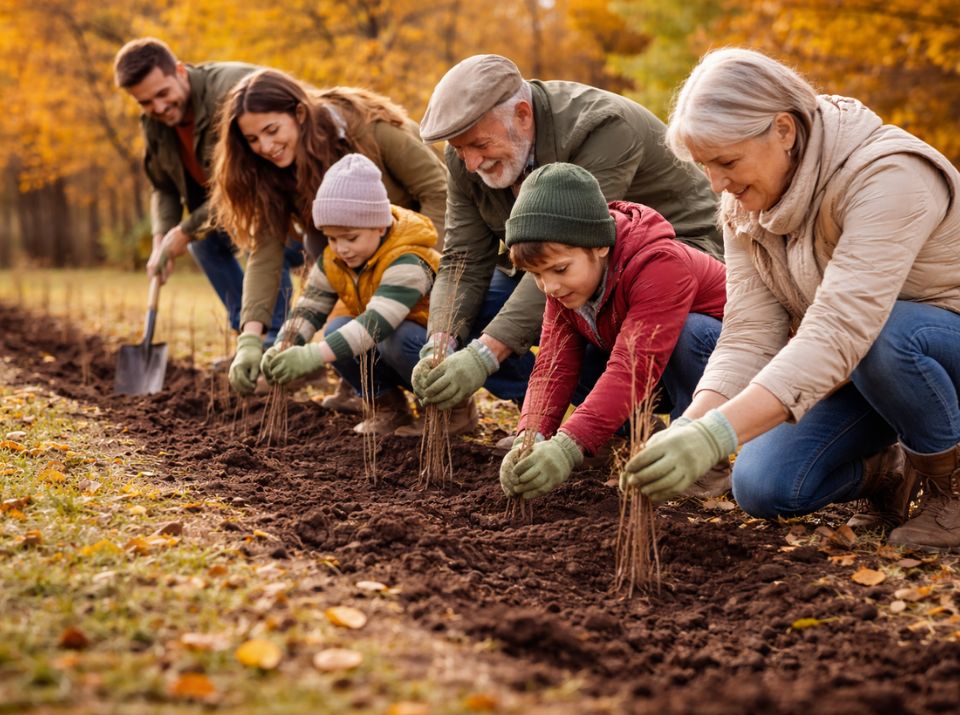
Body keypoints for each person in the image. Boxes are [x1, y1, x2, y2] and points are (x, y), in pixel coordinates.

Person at [621, 48, 960, 551]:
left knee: (886, 334)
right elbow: (748, 335)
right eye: (706, 166)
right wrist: (690, 428)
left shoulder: (890, 176)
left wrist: (719, 435)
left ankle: (949, 493)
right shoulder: (746, 202)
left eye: (727, 162)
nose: (718, 184)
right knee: (763, 486)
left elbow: (842, 329)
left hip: (927, 348)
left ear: (784, 129)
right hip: (863, 366)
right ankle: (886, 470)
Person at [403, 54, 724, 445]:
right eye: (459, 149)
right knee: (491, 304)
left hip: (674, 256)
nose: (470, 163)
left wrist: (485, 355)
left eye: (479, 144)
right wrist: (442, 342)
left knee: (613, 320)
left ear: (522, 115)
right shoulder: (466, 157)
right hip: (575, 268)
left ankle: (686, 437)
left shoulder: (601, 127)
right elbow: (462, 258)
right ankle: (599, 431)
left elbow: (573, 250)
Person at [210, 69, 448, 401]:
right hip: (356, 252)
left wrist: (416, 261)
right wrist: (250, 339)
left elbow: (438, 190)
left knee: (392, 331)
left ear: (300, 113)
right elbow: (265, 253)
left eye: (271, 130)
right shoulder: (271, 169)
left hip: (411, 243)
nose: (264, 146)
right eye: (252, 140)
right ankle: (373, 394)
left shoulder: (370, 129)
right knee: (323, 270)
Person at [495, 164, 726, 500]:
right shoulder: (563, 289)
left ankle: (703, 460)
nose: (550, 286)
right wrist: (530, 438)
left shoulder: (660, 263)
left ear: (599, 246)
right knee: (580, 359)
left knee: (692, 331)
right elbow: (551, 368)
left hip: (727, 372)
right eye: (537, 275)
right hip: (651, 368)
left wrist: (568, 445)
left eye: (559, 269)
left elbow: (632, 368)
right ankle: (622, 438)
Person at [113, 38, 300, 351]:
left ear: (181, 72)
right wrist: (162, 239)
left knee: (257, 234)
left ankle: (277, 344)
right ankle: (248, 340)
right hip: (233, 207)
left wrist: (184, 230)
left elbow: (251, 183)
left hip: (287, 205)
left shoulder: (230, 94)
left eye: (162, 93)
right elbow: (163, 185)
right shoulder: (154, 123)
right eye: (145, 102)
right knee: (204, 243)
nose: (157, 107)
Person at [260, 154, 439, 434]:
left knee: (394, 338)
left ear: (380, 225)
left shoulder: (409, 259)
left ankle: (448, 410)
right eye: (332, 238)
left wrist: (311, 356)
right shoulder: (334, 259)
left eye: (350, 237)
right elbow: (309, 307)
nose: (340, 248)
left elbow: (377, 323)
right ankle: (388, 407)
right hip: (386, 343)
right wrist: (283, 346)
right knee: (337, 329)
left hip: (430, 350)